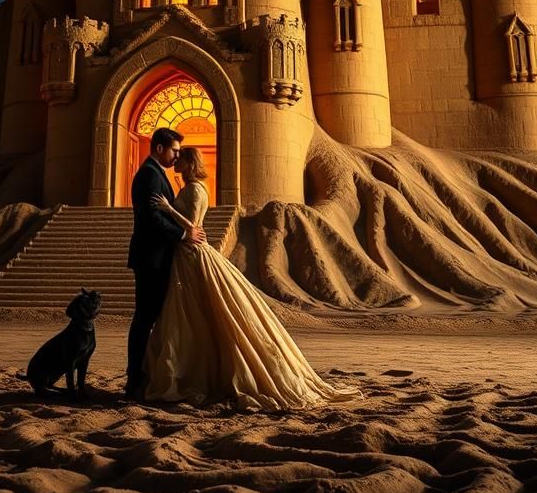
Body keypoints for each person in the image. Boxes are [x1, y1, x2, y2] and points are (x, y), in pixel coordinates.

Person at [144, 146, 362, 410]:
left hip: (191, 251)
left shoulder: (193, 190)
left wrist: (168, 209)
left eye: (181, 159)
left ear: (189, 163)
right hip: (187, 253)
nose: (176, 162)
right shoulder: (195, 187)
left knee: (192, 312)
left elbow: (192, 226)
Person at [125, 128, 206, 399]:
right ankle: (135, 379)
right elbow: (152, 219)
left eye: (180, 153)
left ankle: (145, 376)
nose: (177, 156)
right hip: (151, 258)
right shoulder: (149, 175)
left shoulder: (159, 174)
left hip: (159, 257)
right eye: (174, 150)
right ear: (159, 149)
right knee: (144, 319)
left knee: (152, 319)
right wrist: (184, 234)